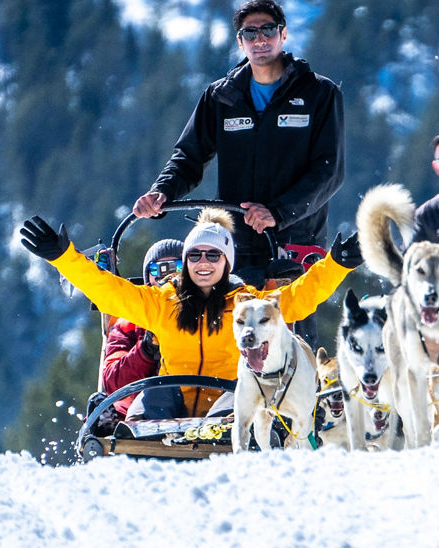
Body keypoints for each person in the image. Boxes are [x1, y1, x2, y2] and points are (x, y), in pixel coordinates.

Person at [131, 0, 342, 349]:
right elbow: (188, 157)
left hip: (295, 243)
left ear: (283, 34)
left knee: (288, 341)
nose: (260, 39)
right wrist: (162, 193)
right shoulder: (221, 97)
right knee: (234, 338)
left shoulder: (319, 93)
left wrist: (277, 212)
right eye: (249, 32)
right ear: (240, 41)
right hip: (235, 245)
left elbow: (329, 171)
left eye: (268, 30)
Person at [19, 209, 363, 422]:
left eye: (213, 256)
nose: (203, 263)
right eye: (195, 255)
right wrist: (63, 257)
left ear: (226, 262)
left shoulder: (245, 303)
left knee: (242, 396)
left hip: (226, 397)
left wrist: (336, 265)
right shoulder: (162, 302)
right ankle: (135, 444)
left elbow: (297, 299)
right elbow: (108, 291)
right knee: (151, 395)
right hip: (171, 401)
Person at [94, 238, 184, 428]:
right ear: (147, 279)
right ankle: (111, 424)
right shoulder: (129, 324)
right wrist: (145, 350)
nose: (167, 277)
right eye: (158, 270)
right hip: (141, 405)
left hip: (201, 395)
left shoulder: (211, 314)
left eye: (176, 267)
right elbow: (112, 383)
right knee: (131, 401)